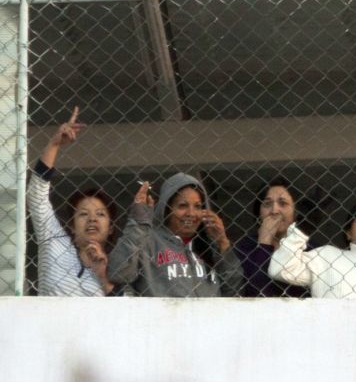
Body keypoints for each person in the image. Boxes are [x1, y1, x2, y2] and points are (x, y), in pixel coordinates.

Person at [28, 107, 118, 296]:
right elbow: (36, 196)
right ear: (72, 226)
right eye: (83, 214)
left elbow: (129, 315)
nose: (92, 219)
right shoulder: (55, 243)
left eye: (100, 214)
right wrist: (54, 145)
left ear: (111, 228)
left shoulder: (119, 268)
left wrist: (103, 277)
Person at [107, 173, 243, 297]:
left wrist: (223, 243)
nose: (191, 213)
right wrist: (138, 223)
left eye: (197, 206)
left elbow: (234, 291)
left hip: (208, 323)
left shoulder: (209, 248)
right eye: (183, 206)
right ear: (167, 209)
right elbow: (118, 272)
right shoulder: (148, 240)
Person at [235, 179, 309, 297]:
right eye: (267, 204)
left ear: (296, 212)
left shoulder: (308, 248)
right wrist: (264, 243)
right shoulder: (244, 248)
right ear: (258, 212)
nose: (274, 211)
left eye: (283, 203)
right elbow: (255, 295)